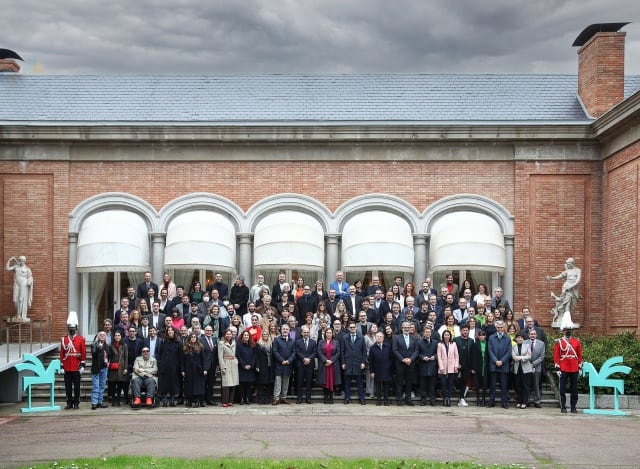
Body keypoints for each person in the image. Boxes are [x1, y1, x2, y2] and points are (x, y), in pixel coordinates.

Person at [554, 324, 582, 413]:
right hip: (564, 367)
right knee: (562, 388)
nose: (568, 331)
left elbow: (579, 355)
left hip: (574, 367)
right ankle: (563, 406)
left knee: (574, 388)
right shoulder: (559, 342)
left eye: (569, 330)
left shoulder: (576, 342)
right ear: (563, 331)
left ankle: (573, 406)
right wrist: (558, 368)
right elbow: (556, 355)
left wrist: (580, 366)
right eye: (566, 330)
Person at [60, 311, 86, 410]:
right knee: (67, 387)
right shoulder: (64, 339)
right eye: (70, 328)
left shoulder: (81, 339)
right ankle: (69, 403)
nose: (72, 330)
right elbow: (62, 353)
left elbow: (83, 353)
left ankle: (76, 403)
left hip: (76, 366)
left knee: (77, 386)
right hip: (67, 366)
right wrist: (61, 366)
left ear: (76, 329)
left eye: (73, 328)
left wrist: (83, 365)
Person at [547, 257, 582, 326]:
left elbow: (578, 280)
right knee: (567, 303)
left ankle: (567, 318)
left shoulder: (578, 270)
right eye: (567, 264)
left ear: (572, 263)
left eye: (569, 264)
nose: (567, 266)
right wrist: (552, 278)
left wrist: (571, 286)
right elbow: (560, 276)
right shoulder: (567, 271)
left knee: (573, 306)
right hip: (566, 288)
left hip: (573, 289)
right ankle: (566, 320)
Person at [392, 321, 419, 406]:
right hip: (400, 363)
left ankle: (408, 399)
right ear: (402, 328)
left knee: (409, 382)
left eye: (408, 327)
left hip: (410, 363)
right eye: (405, 327)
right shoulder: (397, 338)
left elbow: (416, 350)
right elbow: (395, 350)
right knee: (400, 382)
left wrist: (411, 359)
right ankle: (399, 399)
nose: (407, 329)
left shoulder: (414, 338)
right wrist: (402, 359)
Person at [156, 326, 182, 407]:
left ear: (174, 332)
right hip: (164, 367)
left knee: (173, 384)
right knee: (164, 384)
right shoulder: (163, 342)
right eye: (169, 331)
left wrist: (178, 366)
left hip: (174, 367)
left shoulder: (178, 343)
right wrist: (160, 363)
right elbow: (159, 353)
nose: (170, 332)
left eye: (172, 331)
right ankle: (164, 400)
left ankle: (172, 400)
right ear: (167, 333)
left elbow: (180, 356)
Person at [341, 321, 367, 405]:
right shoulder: (345, 337)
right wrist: (343, 363)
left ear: (356, 328)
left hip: (358, 363)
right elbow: (342, 351)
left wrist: (363, 362)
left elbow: (364, 351)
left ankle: (362, 398)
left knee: (359, 383)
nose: (352, 329)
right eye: (351, 327)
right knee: (347, 382)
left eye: (353, 327)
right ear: (348, 328)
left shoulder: (361, 337)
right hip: (348, 363)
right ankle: (347, 398)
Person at [487, 320, 512, 409]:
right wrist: (495, 360)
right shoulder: (491, 337)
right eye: (498, 327)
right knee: (493, 385)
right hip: (494, 364)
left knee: (504, 385)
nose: (500, 329)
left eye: (501, 327)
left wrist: (502, 361)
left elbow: (509, 351)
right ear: (496, 328)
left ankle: (504, 402)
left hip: (504, 365)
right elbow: (490, 350)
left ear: (503, 328)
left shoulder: (507, 338)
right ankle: (491, 401)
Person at [272, 323, 295, 405]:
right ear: (281, 330)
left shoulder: (292, 340)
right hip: (279, 364)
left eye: (286, 329)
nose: (285, 330)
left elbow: (294, 352)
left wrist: (289, 360)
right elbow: (275, 351)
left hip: (288, 364)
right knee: (278, 382)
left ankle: (284, 398)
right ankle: (276, 398)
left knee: (286, 382)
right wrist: (282, 360)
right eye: (283, 329)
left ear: (289, 330)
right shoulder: (277, 339)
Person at [317, 327, 342, 404]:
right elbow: (319, 352)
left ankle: (331, 397)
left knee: (332, 380)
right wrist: (325, 360)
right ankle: (325, 397)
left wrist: (331, 360)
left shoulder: (336, 342)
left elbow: (338, 352)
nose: (329, 334)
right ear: (325, 334)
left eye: (330, 333)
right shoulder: (321, 342)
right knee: (324, 380)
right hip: (324, 364)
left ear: (332, 334)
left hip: (333, 364)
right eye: (327, 333)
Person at [368, 330, 392, 406]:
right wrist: (372, 371)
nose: (379, 338)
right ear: (375, 337)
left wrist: (390, 367)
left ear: (383, 338)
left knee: (386, 386)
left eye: (380, 336)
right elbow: (370, 361)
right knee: (378, 386)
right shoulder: (372, 348)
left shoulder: (388, 346)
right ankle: (378, 400)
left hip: (386, 369)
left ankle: (386, 400)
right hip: (377, 370)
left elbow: (391, 358)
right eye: (377, 336)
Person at [181, 332, 205, 407]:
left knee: (198, 386)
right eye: (192, 337)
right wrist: (182, 370)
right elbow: (182, 360)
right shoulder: (185, 347)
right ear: (189, 338)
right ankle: (189, 401)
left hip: (198, 369)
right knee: (189, 386)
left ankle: (197, 400)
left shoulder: (200, 347)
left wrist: (204, 369)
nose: (193, 338)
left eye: (194, 337)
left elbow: (203, 359)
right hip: (188, 369)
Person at [294, 325, 317, 404]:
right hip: (300, 364)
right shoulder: (298, 341)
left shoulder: (313, 342)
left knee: (309, 382)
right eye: (304, 332)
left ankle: (308, 398)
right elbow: (297, 352)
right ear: (302, 333)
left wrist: (308, 359)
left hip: (310, 365)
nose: (306, 333)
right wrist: (304, 358)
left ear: (309, 333)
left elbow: (314, 352)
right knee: (299, 382)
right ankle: (299, 398)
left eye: (307, 332)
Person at [5, 255, 33, 319]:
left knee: (20, 299)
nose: (21, 262)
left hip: (23, 283)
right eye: (20, 260)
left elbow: (30, 277)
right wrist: (10, 260)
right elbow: (7, 268)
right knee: (15, 300)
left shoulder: (27, 269)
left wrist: (29, 282)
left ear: (24, 261)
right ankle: (17, 313)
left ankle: (19, 315)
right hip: (16, 283)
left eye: (22, 261)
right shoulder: (16, 267)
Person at [437, 329, 459, 407]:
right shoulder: (440, 344)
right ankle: (444, 398)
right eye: (445, 335)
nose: (446, 336)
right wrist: (441, 367)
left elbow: (456, 356)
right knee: (443, 384)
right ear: (443, 336)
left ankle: (449, 398)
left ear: (450, 336)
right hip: (443, 366)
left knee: (450, 383)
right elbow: (439, 356)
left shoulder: (454, 344)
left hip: (451, 366)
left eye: (448, 335)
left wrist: (456, 366)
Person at [218, 328, 239, 407]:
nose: (229, 335)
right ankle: (225, 401)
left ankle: (231, 401)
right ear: (225, 335)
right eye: (227, 334)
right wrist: (222, 367)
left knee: (233, 383)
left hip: (233, 364)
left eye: (230, 334)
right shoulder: (221, 343)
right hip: (226, 363)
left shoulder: (234, 343)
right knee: (226, 383)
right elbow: (220, 356)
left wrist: (236, 361)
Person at [417, 326, 438, 406]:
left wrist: (434, 356)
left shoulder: (435, 342)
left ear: (431, 333)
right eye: (426, 332)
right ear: (423, 333)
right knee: (423, 385)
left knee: (432, 385)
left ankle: (433, 400)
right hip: (423, 366)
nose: (428, 333)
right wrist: (422, 357)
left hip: (432, 366)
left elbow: (437, 353)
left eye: (429, 332)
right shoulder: (419, 342)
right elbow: (417, 353)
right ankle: (423, 400)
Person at [454, 324, 474, 406]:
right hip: (457, 364)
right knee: (453, 379)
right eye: (464, 330)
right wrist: (456, 363)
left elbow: (473, 354)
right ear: (460, 331)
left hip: (467, 365)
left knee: (464, 382)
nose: (465, 332)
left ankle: (462, 398)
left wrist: (472, 367)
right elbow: (452, 353)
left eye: (466, 330)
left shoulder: (471, 340)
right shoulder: (455, 340)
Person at [511, 332, 532, 409]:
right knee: (518, 386)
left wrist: (520, 357)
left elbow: (529, 356)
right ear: (516, 339)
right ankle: (519, 401)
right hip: (517, 369)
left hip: (526, 370)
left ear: (523, 339)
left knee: (525, 386)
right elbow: (514, 357)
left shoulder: (527, 346)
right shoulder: (513, 347)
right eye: (518, 338)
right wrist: (523, 356)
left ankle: (524, 402)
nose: (520, 339)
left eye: (521, 338)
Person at [107, 330, 128, 407]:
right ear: (114, 337)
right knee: (112, 384)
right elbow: (108, 356)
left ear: (121, 336)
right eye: (116, 335)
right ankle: (113, 399)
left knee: (120, 384)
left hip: (121, 367)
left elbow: (126, 357)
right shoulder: (110, 345)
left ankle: (118, 399)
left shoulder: (124, 345)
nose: (117, 337)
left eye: (119, 335)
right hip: (113, 367)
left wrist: (125, 368)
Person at [527, 328, 546, 408]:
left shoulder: (541, 344)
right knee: (527, 384)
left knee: (536, 385)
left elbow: (542, 357)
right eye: (531, 334)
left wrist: (533, 364)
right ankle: (526, 400)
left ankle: (537, 401)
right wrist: (528, 364)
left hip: (537, 367)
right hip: (526, 366)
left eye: (534, 334)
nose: (532, 335)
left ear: (536, 335)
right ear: (529, 335)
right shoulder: (525, 343)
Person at [90, 331, 110, 410]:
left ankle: (100, 402)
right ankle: (94, 403)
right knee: (96, 387)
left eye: (103, 335)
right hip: (96, 368)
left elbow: (109, 355)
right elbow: (93, 354)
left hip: (104, 368)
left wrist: (108, 362)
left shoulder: (107, 346)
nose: (102, 336)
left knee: (102, 386)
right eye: (100, 335)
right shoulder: (94, 344)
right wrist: (99, 348)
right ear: (98, 336)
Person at [237, 330, 257, 405]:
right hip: (242, 367)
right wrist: (244, 365)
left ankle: (247, 398)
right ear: (242, 336)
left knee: (249, 384)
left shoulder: (252, 345)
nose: (246, 336)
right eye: (244, 335)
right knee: (242, 384)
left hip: (250, 368)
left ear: (249, 337)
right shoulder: (239, 345)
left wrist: (251, 365)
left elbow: (255, 356)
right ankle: (242, 398)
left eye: (247, 335)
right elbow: (238, 356)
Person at [199, 325, 218, 406]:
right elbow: (199, 354)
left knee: (211, 384)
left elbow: (215, 353)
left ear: (212, 331)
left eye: (210, 330)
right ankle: (202, 400)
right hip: (204, 366)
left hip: (213, 366)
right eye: (207, 330)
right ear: (204, 331)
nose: (209, 332)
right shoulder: (200, 340)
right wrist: (203, 367)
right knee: (203, 384)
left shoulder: (214, 339)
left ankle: (209, 399)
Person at [255, 329, 275, 405]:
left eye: (266, 334)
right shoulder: (258, 344)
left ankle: (267, 399)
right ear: (261, 336)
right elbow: (256, 356)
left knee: (269, 383)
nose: (265, 336)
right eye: (263, 334)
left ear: (268, 335)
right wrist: (257, 365)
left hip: (270, 366)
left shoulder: (271, 344)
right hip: (262, 365)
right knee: (261, 383)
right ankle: (260, 398)